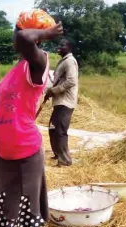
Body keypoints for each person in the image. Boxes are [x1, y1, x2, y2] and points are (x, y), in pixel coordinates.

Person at [0, 9, 62, 227]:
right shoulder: (15, 69)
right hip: (6, 150)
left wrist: (44, 33)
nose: (15, 36)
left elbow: (28, 39)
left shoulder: (38, 64)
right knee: (3, 202)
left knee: (31, 207)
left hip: (27, 149)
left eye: (18, 31)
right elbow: (6, 112)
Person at [44, 39, 78, 167]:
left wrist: (54, 90)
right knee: (52, 128)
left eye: (62, 45)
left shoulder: (70, 61)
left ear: (69, 47)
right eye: (59, 44)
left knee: (60, 130)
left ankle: (65, 160)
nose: (59, 47)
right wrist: (50, 91)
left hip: (66, 102)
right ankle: (58, 154)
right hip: (59, 101)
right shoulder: (64, 60)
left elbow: (71, 81)